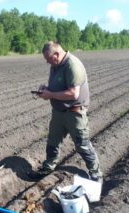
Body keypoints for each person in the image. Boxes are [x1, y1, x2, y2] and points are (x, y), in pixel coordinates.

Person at [32, 41, 102, 182]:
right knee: (53, 140)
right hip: (59, 112)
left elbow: (73, 94)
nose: (47, 62)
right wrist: (46, 89)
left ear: (57, 54)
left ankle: (96, 174)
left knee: (82, 144)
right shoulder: (55, 65)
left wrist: (50, 95)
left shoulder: (72, 65)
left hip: (74, 113)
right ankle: (48, 166)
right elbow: (58, 86)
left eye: (49, 59)